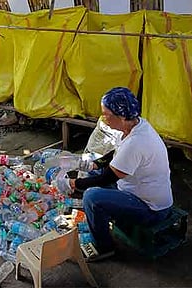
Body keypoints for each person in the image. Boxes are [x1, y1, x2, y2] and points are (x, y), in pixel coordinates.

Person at [60, 87, 173, 261]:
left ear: (120, 117)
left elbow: (108, 177)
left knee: (91, 196)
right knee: (92, 173)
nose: (103, 118)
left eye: (106, 114)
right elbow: (116, 158)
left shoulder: (136, 142)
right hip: (134, 188)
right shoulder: (135, 125)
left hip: (151, 209)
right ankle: (95, 214)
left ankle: (104, 247)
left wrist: (75, 184)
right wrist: (95, 164)